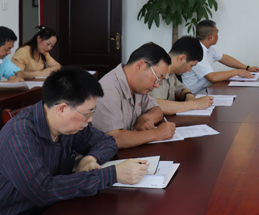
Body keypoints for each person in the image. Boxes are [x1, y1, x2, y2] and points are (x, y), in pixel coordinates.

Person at [0, 66, 148, 214]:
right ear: (62, 109)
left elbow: (107, 142)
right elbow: (43, 190)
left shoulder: (68, 125)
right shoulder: (18, 136)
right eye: (87, 113)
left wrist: (90, 158)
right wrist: (113, 174)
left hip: (60, 204)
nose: (90, 119)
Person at [92, 42, 176, 148]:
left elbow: (157, 110)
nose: (157, 85)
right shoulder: (108, 90)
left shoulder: (139, 87)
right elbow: (114, 139)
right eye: (157, 78)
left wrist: (144, 118)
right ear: (140, 66)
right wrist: (157, 133)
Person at [182, 20, 259, 94]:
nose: (218, 35)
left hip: (207, 90)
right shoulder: (196, 52)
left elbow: (225, 58)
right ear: (211, 37)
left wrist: (247, 68)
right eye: (217, 33)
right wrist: (237, 72)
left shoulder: (208, 48)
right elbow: (213, 77)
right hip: (195, 95)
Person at [149, 36, 214, 115]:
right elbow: (157, 105)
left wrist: (189, 95)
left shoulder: (172, 73)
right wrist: (194, 104)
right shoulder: (156, 72)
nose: (190, 70)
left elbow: (181, 89)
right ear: (181, 58)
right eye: (191, 65)